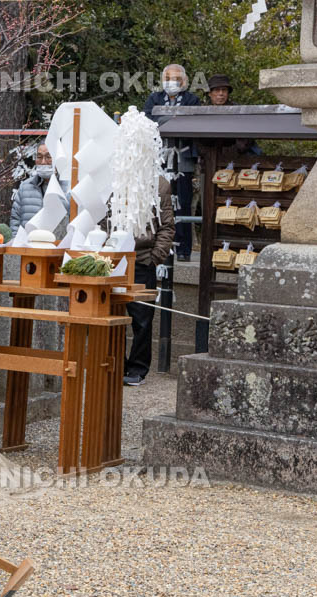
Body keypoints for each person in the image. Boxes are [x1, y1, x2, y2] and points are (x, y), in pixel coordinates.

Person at [144, 64, 201, 262]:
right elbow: (148, 122)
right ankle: (159, 247)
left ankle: (183, 250)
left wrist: (164, 119)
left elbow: (193, 123)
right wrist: (175, 118)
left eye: (176, 79)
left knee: (183, 203)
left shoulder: (192, 100)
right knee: (159, 203)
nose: (171, 82)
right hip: (159, 159)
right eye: (167, 78)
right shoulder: (154, 98)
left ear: (184, 81)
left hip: (183, 158)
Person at [124, 176, 175, 387]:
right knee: (109, 315)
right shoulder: (112, 176)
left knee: (142, 318)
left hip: (143, 257)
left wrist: (156, 256)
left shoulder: (159, 183)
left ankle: (138, 368)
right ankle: (115, 363)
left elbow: (167, 225)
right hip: (112, 254)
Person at [9, 143, 70, 230]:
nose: (43, 162)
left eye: (48, 157)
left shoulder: (68, 188)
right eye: (39, 157)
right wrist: (16, 238)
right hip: (28, 238)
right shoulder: (25, 187)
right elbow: (15, 219)